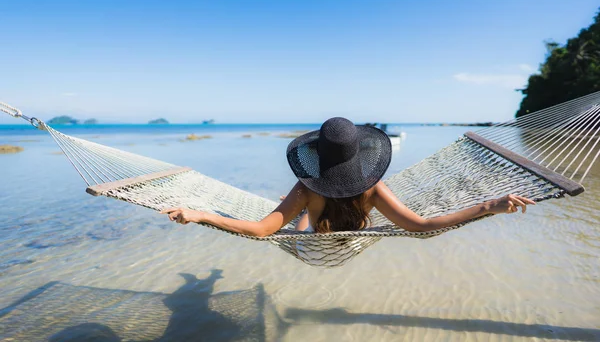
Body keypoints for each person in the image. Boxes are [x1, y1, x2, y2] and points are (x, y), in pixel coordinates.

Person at [161, 117, 534, 236]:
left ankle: (292, 211)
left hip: (312, 227)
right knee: (301, 218)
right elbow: (422, 225)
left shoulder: (306, 188)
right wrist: (489, 205)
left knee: (300, 222)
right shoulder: (372, 189)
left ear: (317, 153)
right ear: (359, 153)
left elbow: (261, 230)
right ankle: (294, 213)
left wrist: (201, 213)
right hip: (332, 223)